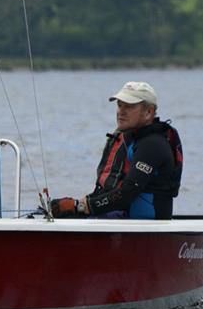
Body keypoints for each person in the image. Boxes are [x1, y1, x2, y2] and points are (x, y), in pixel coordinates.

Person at [50, 81, 183, 220]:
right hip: (124, 218)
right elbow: (114, 193)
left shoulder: (153, 145)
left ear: (149, 112)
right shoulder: (133, 139)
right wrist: (78, 205)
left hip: (144, 226)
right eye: (120, 105)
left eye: (129, 106)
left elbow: (127, 193)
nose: (121, 111)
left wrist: (81, 206)